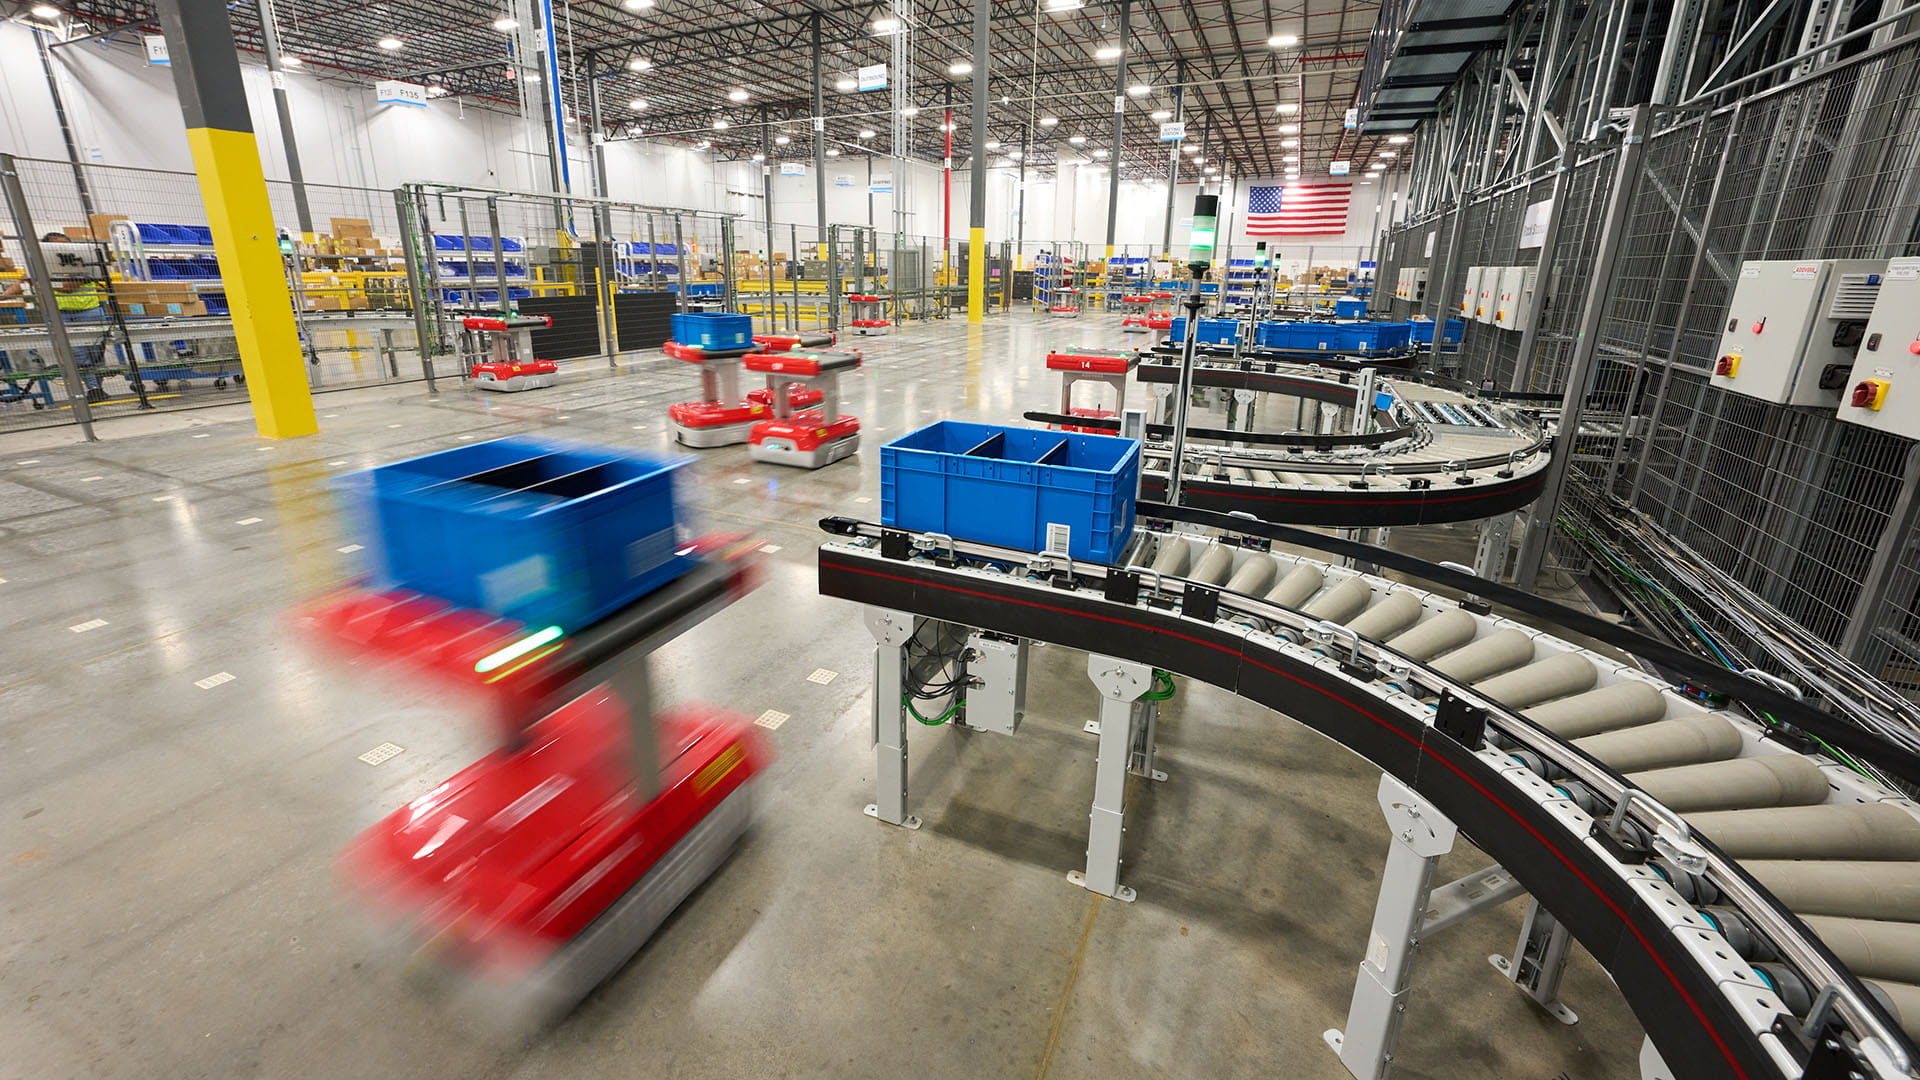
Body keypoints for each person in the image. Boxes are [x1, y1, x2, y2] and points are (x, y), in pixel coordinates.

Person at [1, 231, 111, 402]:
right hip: (59, 314)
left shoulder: (81, 261)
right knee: (76, 352)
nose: (62, 248)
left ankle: (98, 386)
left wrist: (41, 280)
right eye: (56, 245)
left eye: (65, 244)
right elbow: (23, 282)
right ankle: (93, 388)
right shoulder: (40, 264)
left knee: (96, 352)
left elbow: (69, 286)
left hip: (89, 310)